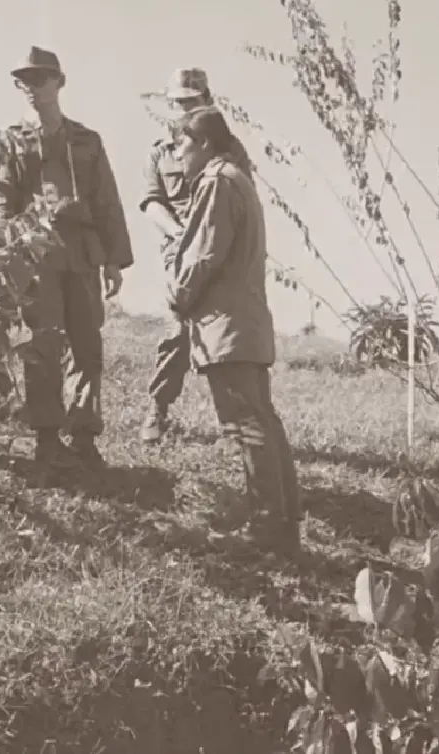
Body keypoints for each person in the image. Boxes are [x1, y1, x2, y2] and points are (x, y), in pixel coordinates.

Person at [0, 46, 133, 473]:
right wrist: (6, 252)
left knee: (87, 345)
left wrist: (113, 260)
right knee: (44, 344)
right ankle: (47, 437)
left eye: (41, 79)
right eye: (25, 81)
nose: (33, 88)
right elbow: (1, 199)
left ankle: (84, 435)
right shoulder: (9, 141)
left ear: (59, 82)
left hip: (83, 250)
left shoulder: (87, 140)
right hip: (36, 252)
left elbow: (106, 199)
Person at [166, 105, 300, 555]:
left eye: (181, 144)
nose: (176, 154)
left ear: (203, 143)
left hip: (228, 325)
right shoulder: (236, 178)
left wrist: (178, 295)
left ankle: (267, 530)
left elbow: (204, 253)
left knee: (248, 427)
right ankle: (282, 526)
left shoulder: (217, 181)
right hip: (243, 323)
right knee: (262, 422)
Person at [139, 68, 253, 443]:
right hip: (180, 251)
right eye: (179, 103)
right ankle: (157, 411)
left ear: (207, 100)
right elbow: (152, 203)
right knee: (177, 331)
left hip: (222, 249)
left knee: (223, 335)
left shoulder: (229, 149)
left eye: (193, 102)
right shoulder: (160, 153)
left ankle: (233, 424)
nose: (185, 109)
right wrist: (182, 236)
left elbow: (240, 198)